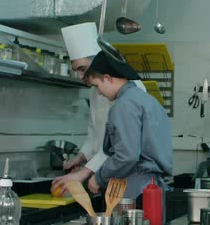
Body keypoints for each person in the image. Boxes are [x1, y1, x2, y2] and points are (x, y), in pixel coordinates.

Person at [51, 22, 146, 196]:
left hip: (129, 181)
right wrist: (80, 157)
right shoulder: (94, 92)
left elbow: (122, 146)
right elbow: (95, 135)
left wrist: (84, 172)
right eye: (76, 71)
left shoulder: (131, 90)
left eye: (82, 68)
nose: (80, 77)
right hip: (106, 178)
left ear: (97, 60)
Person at [84, 51, 173, 202]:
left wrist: (98, 177)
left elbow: (127, 156)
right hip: (153, 189)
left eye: (97, 86)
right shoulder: (147, 100)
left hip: (135, 190)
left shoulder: (124, 105)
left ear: (107, 78)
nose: (98, 93)